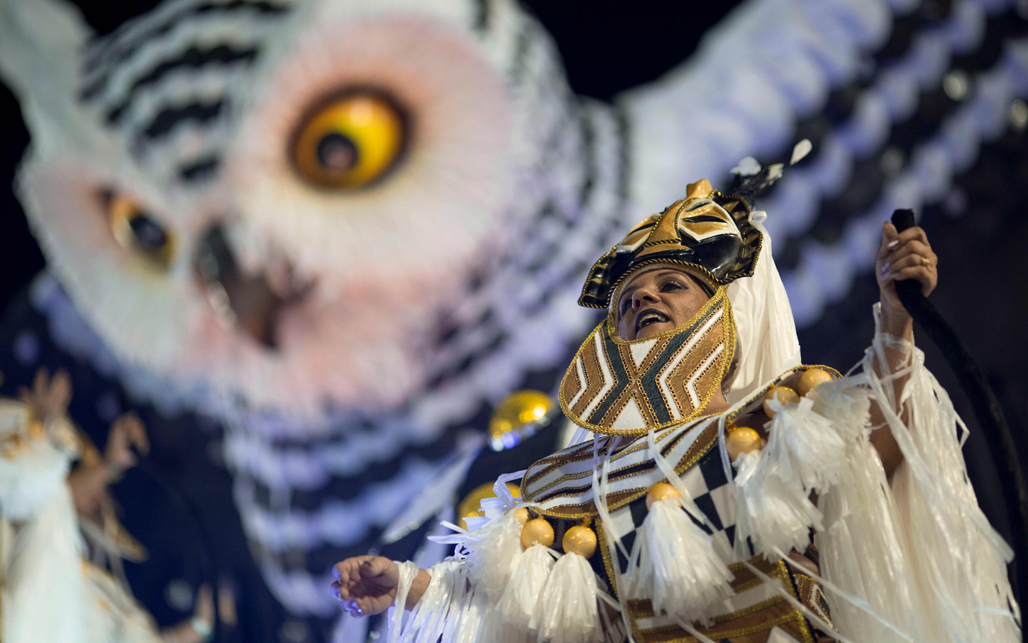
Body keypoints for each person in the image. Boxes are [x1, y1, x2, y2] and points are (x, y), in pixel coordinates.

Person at [331, 177, 1020, 643]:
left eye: (672, 285)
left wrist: (895, 321)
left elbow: (886, 452)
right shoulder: (565, 486)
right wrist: (406, 583)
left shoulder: (785, 422)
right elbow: (505, 603)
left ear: (726, 310)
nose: (644, 301)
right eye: (628, 299)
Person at [0, 368, 216, 643]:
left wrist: (201, 625)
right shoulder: (37, 507)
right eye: (79, 470)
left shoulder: (92, 578)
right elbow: (39, 493)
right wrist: (43, 433)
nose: (99, 492)